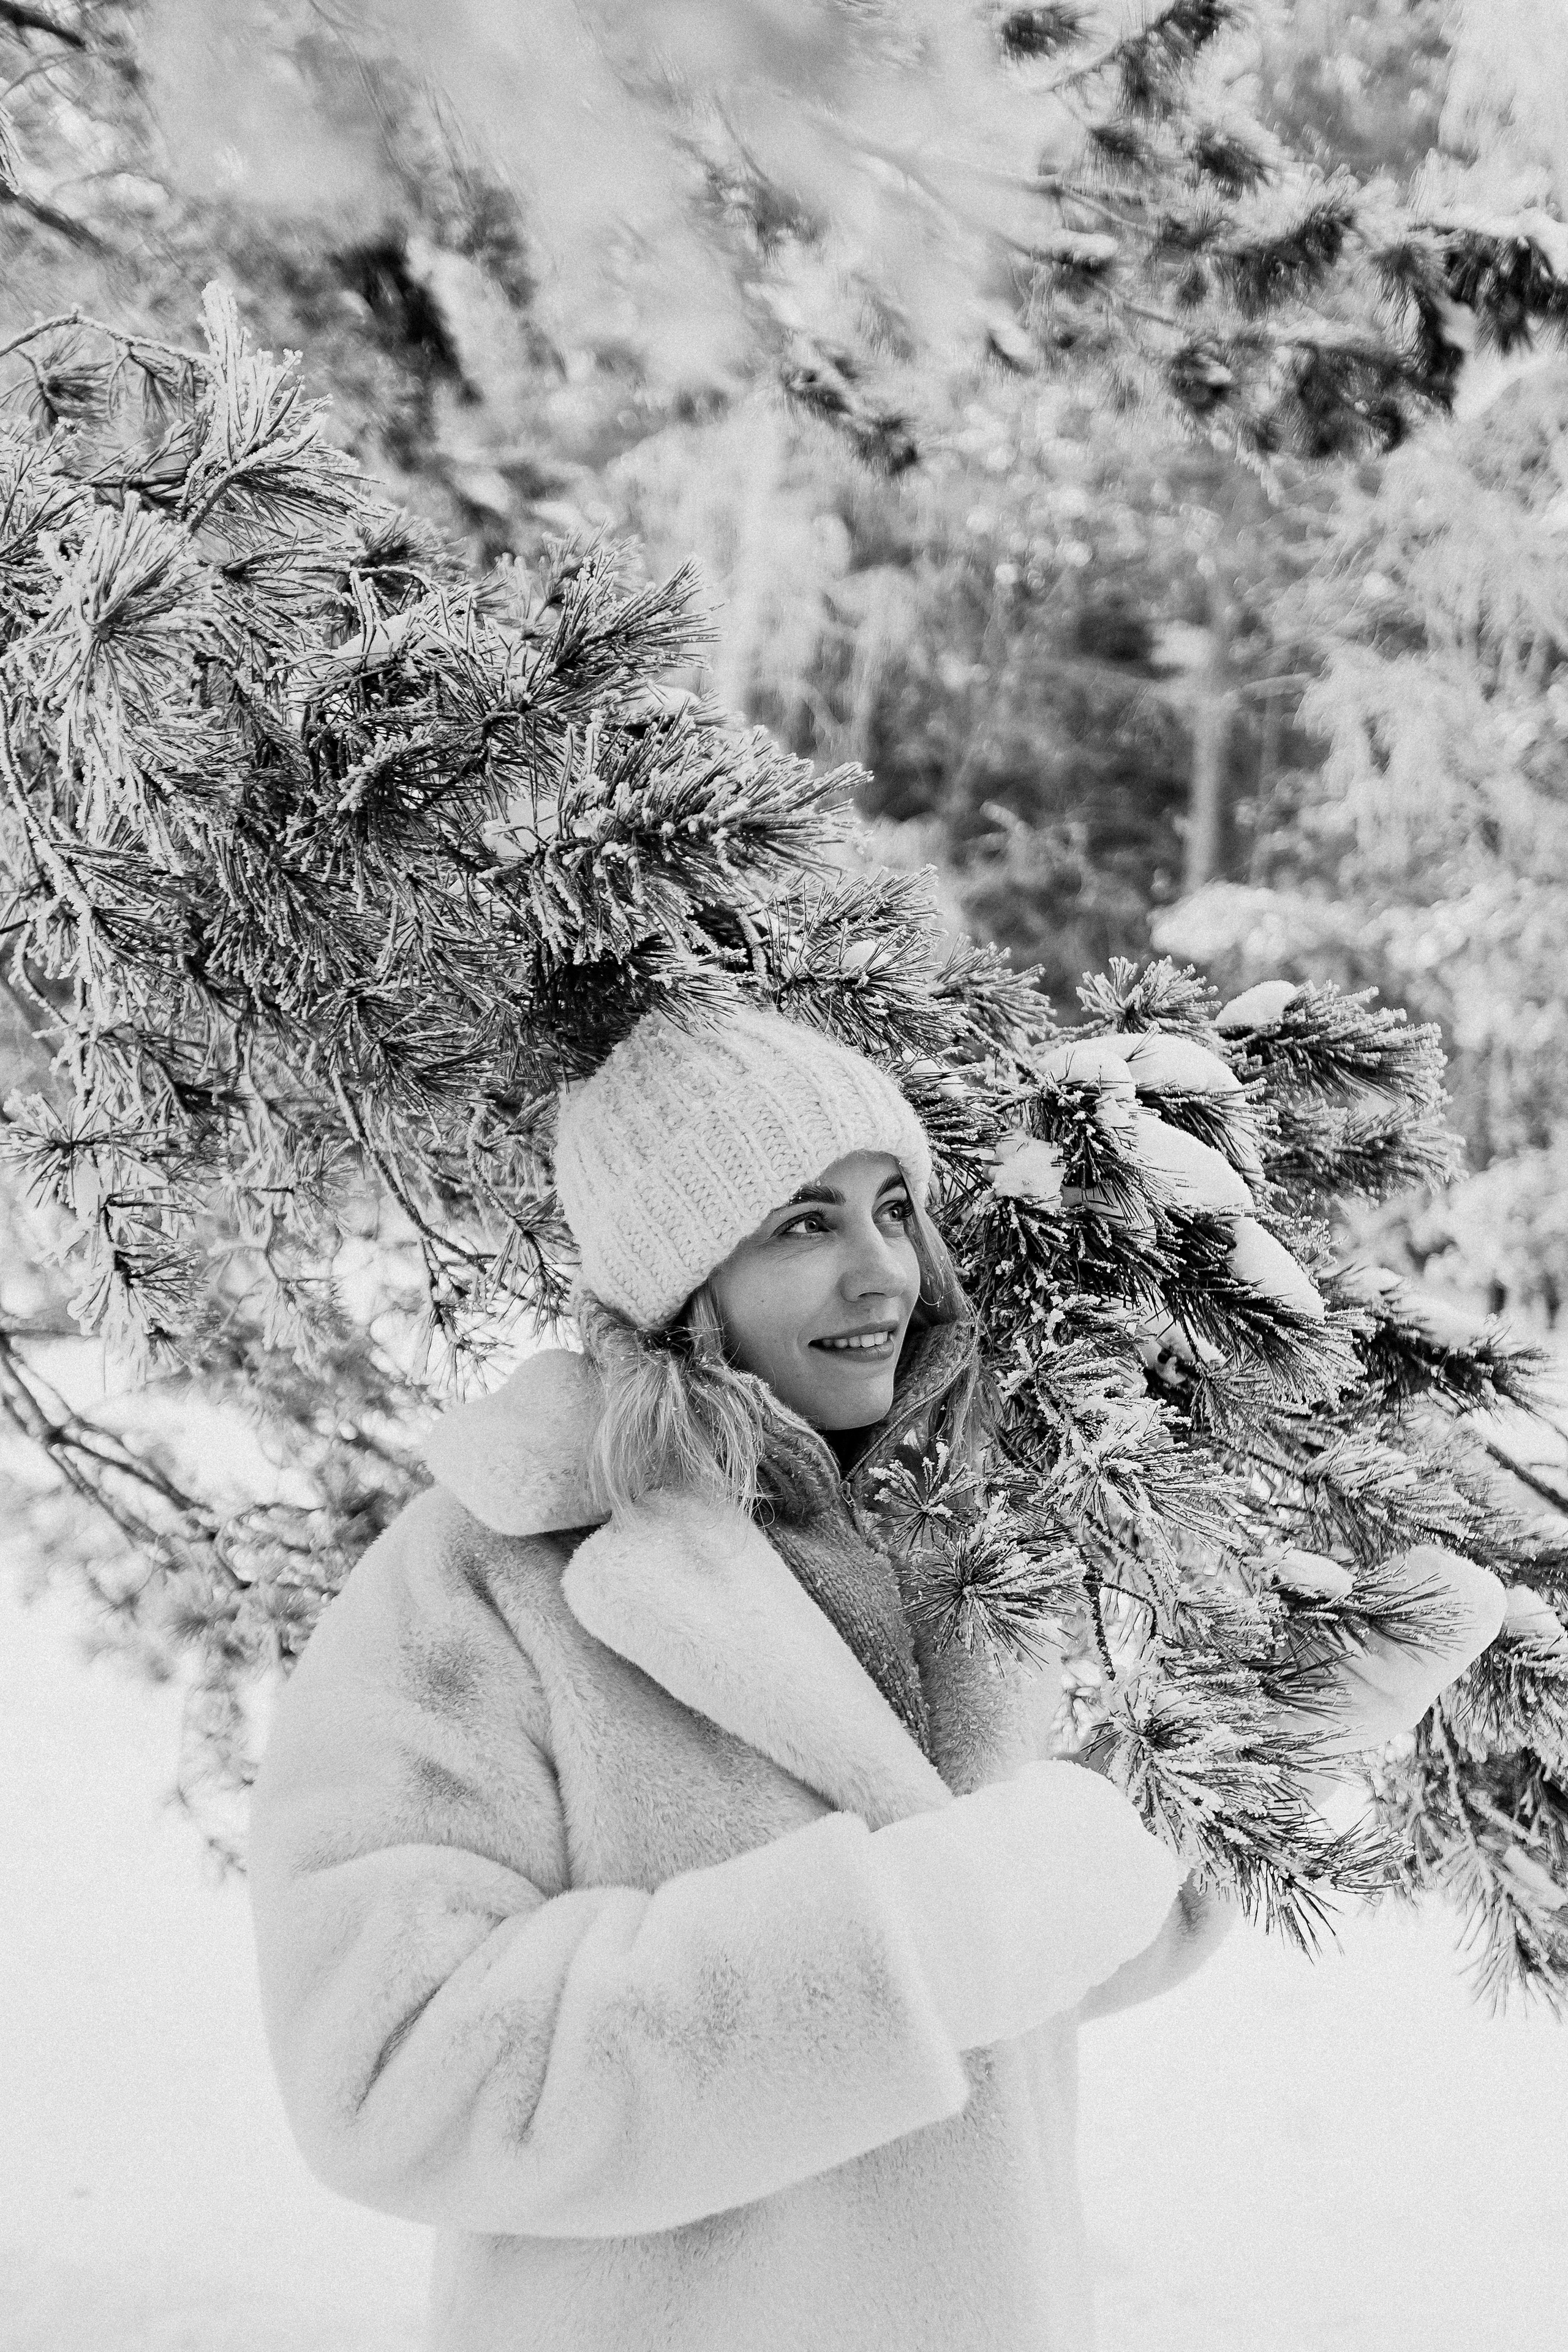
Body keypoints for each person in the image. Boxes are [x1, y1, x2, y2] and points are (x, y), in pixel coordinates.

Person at [248, 1001, 1502, 2352]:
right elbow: (399, 2071)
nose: (883, 1274)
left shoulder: (933, 1544)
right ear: (684, 1278)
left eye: (892, 1206)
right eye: (803, 1222)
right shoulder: (482, 1573)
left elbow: (1021, 1962)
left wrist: (1283, 1727)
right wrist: (929, 1931)